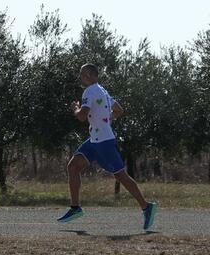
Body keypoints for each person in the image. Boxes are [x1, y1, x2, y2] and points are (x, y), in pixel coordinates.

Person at [57, 63, 158, 230]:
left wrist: (75, 109)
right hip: (96, 139)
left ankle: (147, 207)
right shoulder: (102, 91)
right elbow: (119, 110)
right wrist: (106, 118)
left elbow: (82, 116)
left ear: (89, 75)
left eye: (82, 75)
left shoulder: (89, 91)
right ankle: (75, 208)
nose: (80, 78)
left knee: (121, 176)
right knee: (73, 166)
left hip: (103, 141)